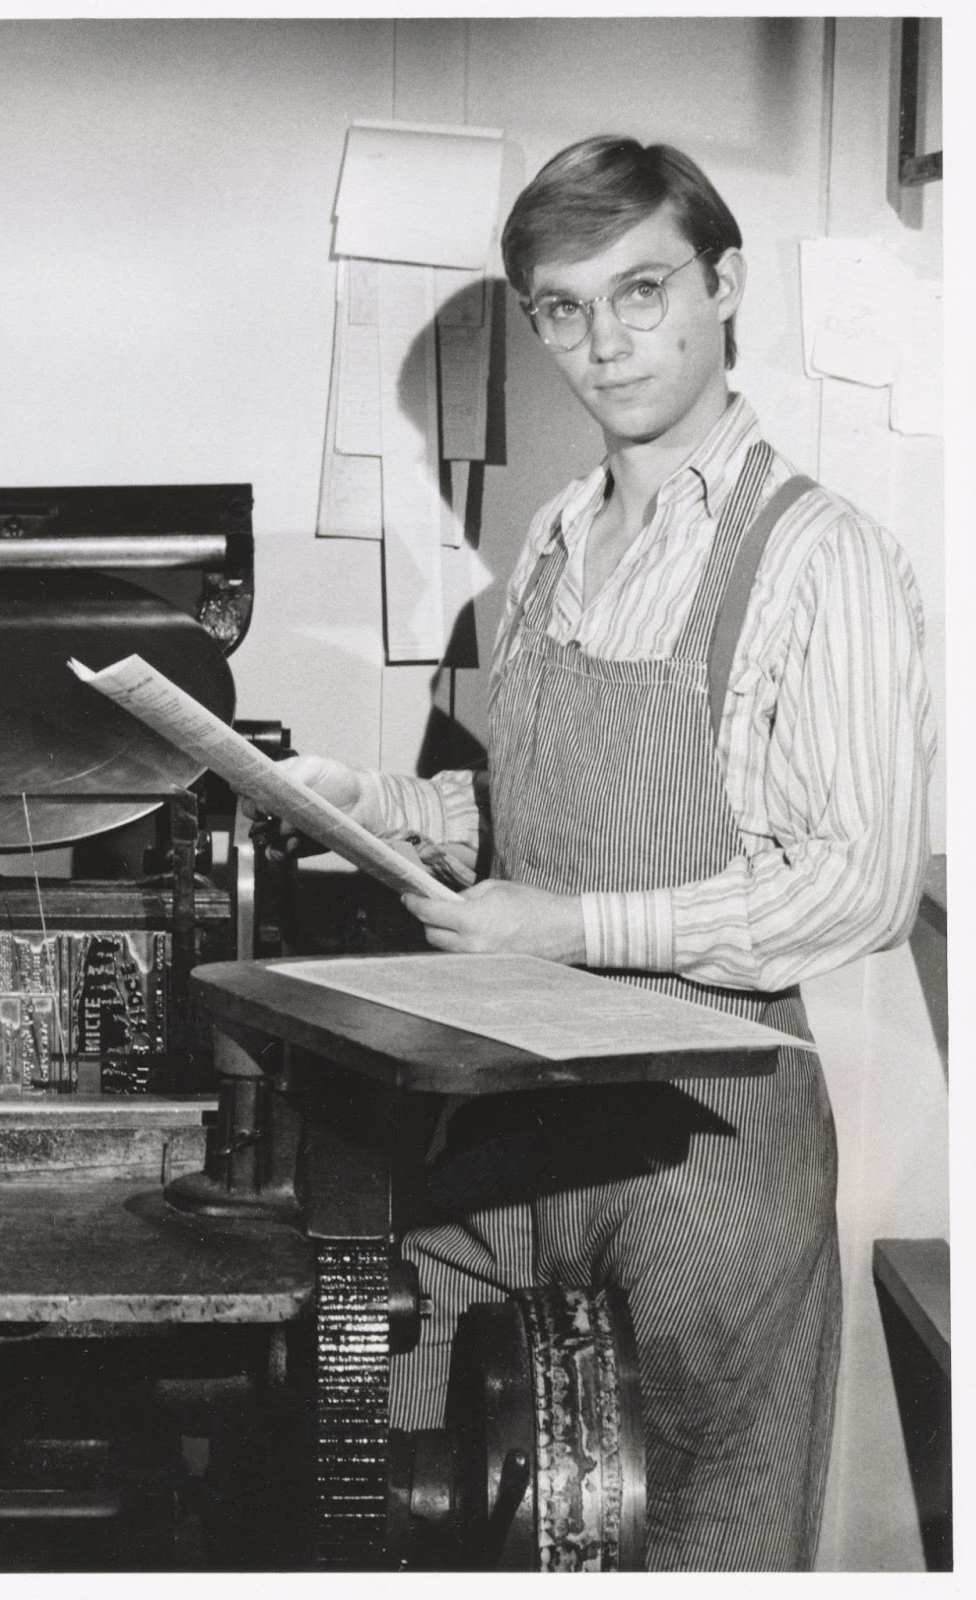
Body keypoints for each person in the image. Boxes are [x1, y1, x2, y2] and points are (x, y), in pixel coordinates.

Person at [277, 136, 935, 1570]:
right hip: (526, 1114)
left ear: (726, 285)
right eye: (565, 309)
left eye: (643, 291)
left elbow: (864, 883)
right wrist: (373, 802)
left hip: (706, 1135)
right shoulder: (562, 543)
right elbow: (529, 823)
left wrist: (565, 930)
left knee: (694, 1531)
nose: (605, 341)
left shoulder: (825, 558)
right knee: (404, 1468)